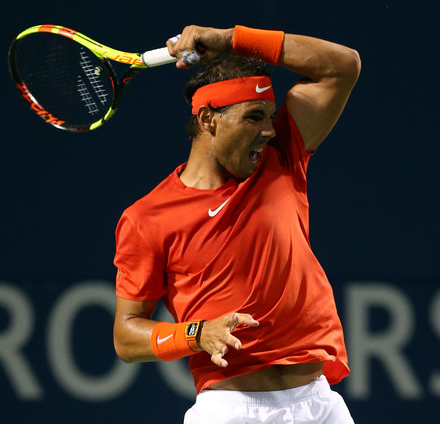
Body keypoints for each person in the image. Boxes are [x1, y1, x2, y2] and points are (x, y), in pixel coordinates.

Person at [113, 24, 361, 423]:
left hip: (320, 404)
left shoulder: (283, 154)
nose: (267, 130)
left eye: (271, 116)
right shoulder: (146, 218)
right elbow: (126, 337)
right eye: (253, 117)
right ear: (209, 120)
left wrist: (232, 40)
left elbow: (343, 66)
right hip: (232, 411)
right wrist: (195, 334)